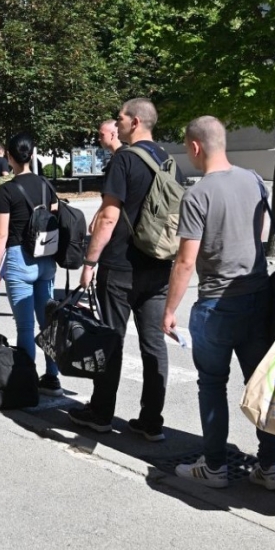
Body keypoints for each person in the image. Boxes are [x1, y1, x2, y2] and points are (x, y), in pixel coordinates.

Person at [161, 116, 275, 490]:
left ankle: (214, 467)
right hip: (258, 295)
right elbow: (259, 233)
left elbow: (185, 260)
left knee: (212, 384)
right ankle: (271, 467)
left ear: (195, 147)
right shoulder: (254, 180)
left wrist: (169, 311)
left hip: (216, 301)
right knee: (260, 383)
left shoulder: (197, 194)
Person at [69, 98, 182, 440]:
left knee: (112, 340)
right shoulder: (168, 160)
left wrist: (89, 262)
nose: (116, 124)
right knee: (153, 345)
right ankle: (151, 421)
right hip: (160, 263)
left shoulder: (125, 159)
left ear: (135, 122)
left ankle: (101, 414)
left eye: (119, 118)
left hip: (120, 266)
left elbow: (108, 216)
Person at [0, 132, 64, 397]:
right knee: (48, 323)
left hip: (19, 259)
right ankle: (52, 378)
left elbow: (1, 233)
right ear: (32, 154)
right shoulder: (46, 185)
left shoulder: (6, 190)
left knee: (25, 327)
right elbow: (54, 217)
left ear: (9, 157)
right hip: (46, 259)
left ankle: (28, 380)